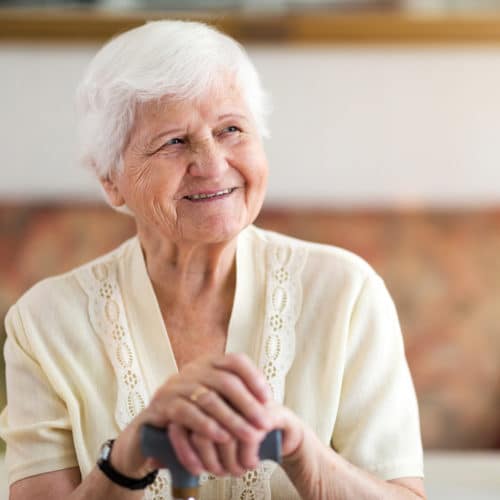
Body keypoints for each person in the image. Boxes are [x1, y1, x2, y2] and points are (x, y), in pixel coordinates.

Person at [0, 20, 425, 500]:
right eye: (174, 141)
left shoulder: (347, 292)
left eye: (231, 129)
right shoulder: (44, 322)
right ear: (110, 179)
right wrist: (127, 459)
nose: (212, 163)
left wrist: (301, 449)